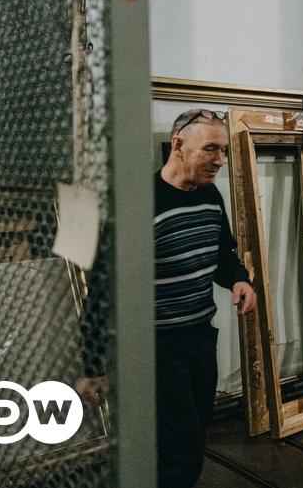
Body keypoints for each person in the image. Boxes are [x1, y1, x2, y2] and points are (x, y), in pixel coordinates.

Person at [77, 108, 257, 488]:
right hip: (157, 349)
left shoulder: (210, 196)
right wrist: (92, 367)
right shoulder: (140, 205)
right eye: (211, 149)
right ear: (177, 145)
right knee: (181, 447)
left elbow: (223, 252)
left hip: (200, 339)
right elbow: (103, 293)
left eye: (223, 151)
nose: (220, 161)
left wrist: (239, 280)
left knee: (193, 433)